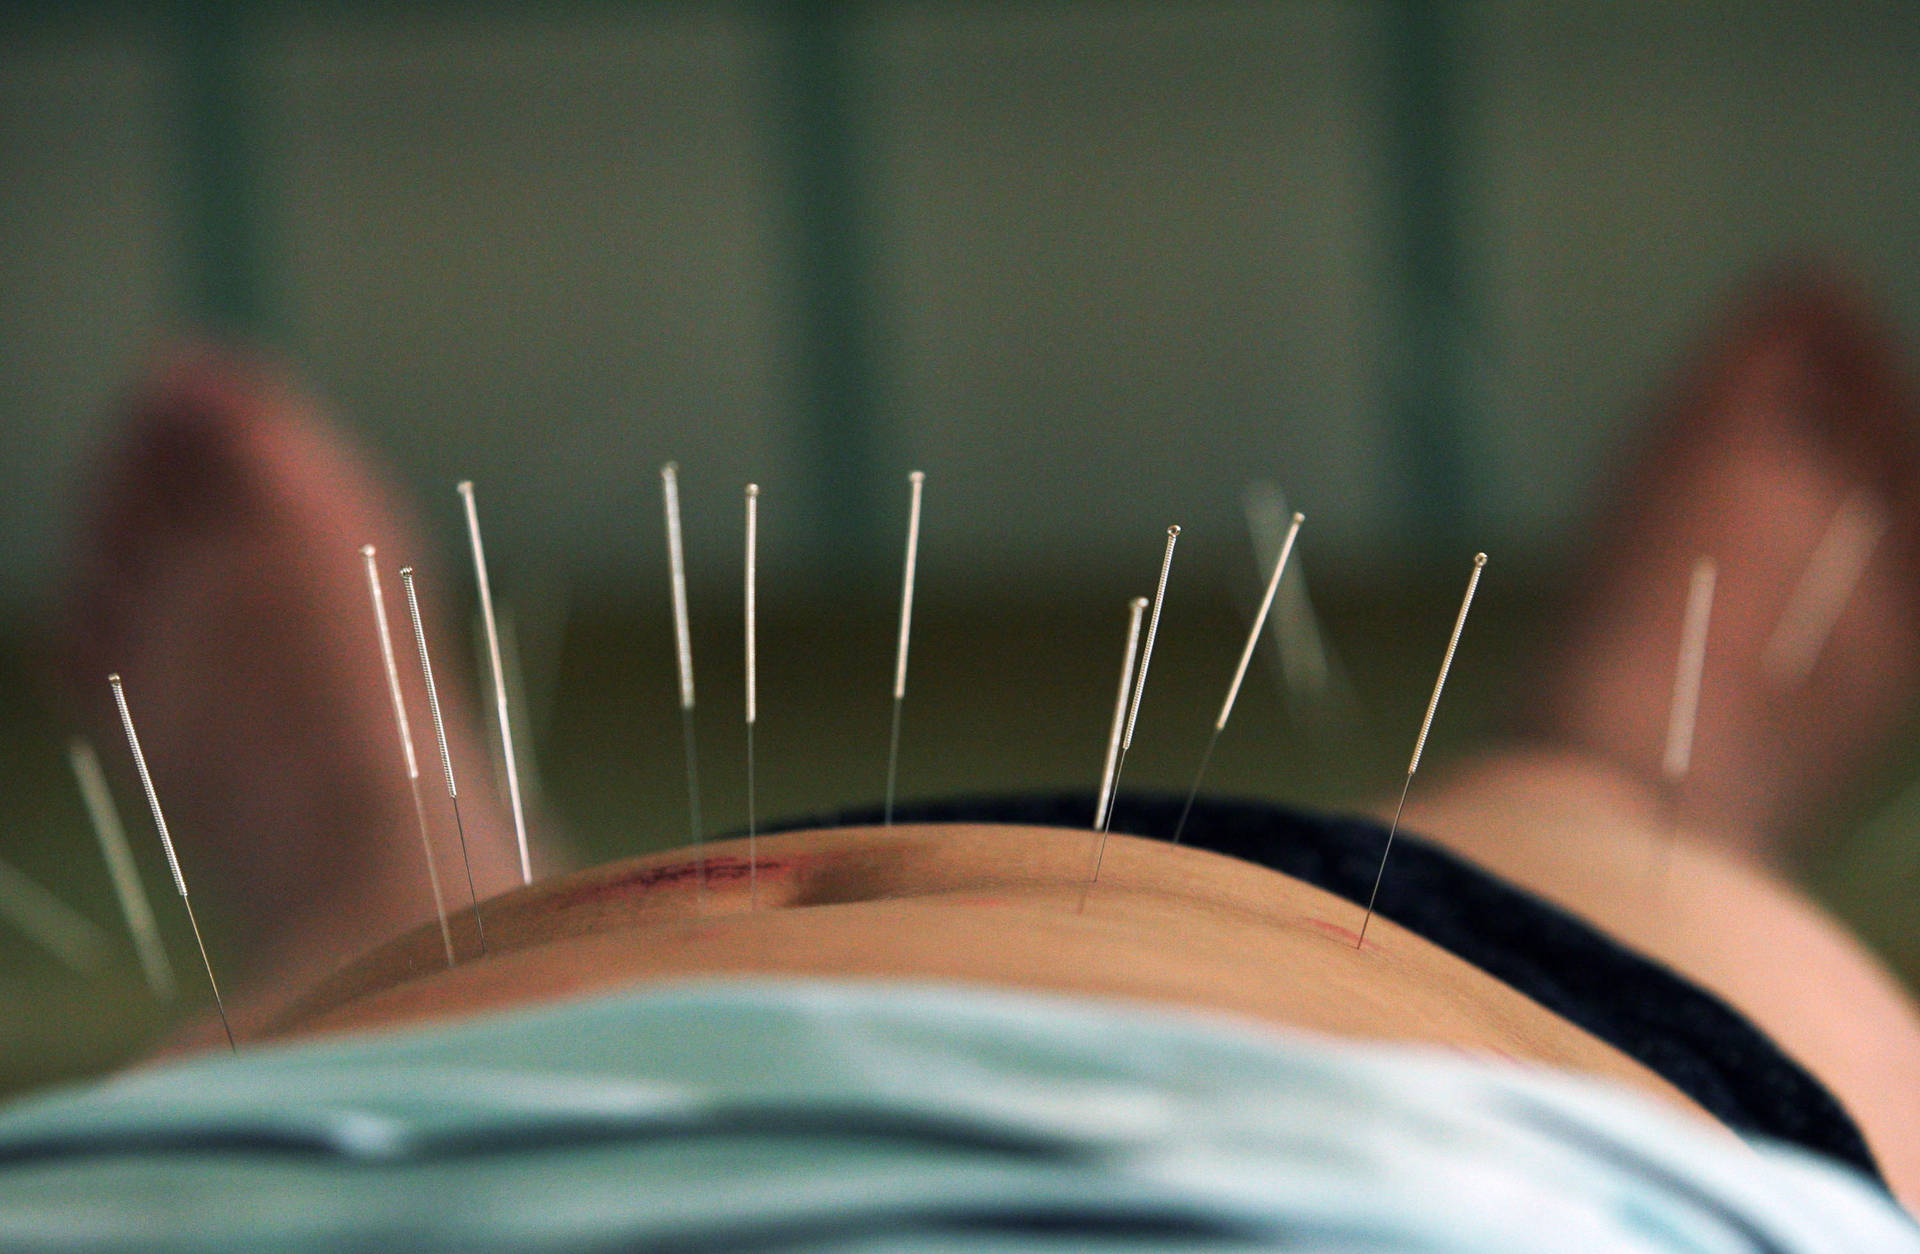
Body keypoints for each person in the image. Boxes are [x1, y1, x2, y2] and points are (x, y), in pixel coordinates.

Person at [6, 268, 1918, 1250]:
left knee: (387, 929)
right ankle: (1644, 776)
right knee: (1618, 845)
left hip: (263, 1173)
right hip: (1453, 1161)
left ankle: (386, 859)